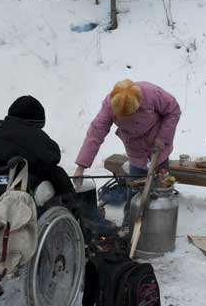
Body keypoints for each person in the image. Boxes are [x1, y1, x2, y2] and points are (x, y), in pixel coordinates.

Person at [73, 79, 181, 231]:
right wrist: (81, 167)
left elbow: (173, 111)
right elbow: (96, 133)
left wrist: (162, 138)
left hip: (158, 148)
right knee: (135, 192)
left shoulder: (152, 94)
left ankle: (159, 229)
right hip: (135, 151)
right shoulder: (109, 104)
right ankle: (129, 228)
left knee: (160, 191)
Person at [0, 95, 74, 195]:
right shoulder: (32, 135)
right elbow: (53, 156)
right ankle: (76, 211)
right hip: (13, 202)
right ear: (35, 123)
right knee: (55, 172)